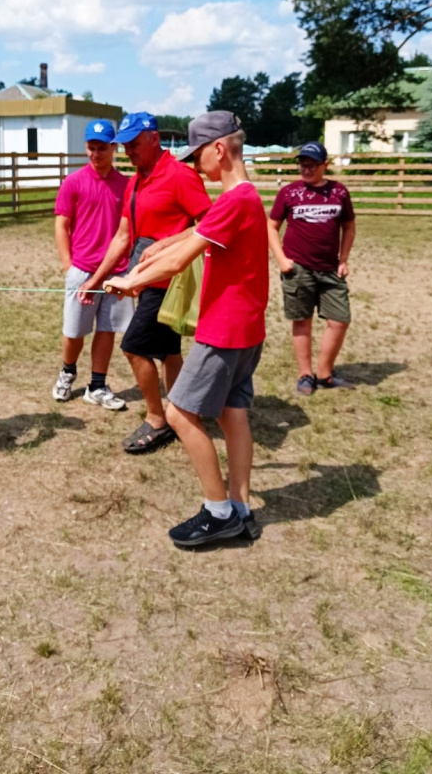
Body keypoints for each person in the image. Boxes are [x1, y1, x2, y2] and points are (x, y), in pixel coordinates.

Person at [104, 112, 268, 547]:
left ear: (219, 149)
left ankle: (218, 513)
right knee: (233, 414)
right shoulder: (245, 197)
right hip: (249, 328)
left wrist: (129, 281)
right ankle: (241, 507)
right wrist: (166, 241)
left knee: (178, 413)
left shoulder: (235, 200)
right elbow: (198, 232)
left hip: (225, 330)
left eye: (198, 156)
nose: (196, 166)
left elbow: (180, 263)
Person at [80, 112, 211, 453]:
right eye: (124, 146)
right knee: (168, 350)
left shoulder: (180, 176)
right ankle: (185, 410)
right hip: (146, 278)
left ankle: (158, 420)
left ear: (154, 138)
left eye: (135, 144)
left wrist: (166, 245)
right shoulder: (137, 180)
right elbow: (123, 236)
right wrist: (96, 278)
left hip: (169, 281)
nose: (128, 151)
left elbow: (210, 224)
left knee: (134, 346)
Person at [52, 119, 134, 410]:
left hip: (116, 271)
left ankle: (97, 384)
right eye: (90, 148)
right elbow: (62, 225)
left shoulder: (126, 185)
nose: (95, 154)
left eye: (101, 148)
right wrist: (69, 266)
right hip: (82, 270)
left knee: (107, 329)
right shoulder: (73, 182)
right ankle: (68, 370)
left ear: (114, 148)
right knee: (74, 331)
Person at [267, 140, 356, 396]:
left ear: (324, 165)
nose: (306, 170)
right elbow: (271, 227)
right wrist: (282, 260)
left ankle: (325, 374)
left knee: (339, 320)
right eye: (303, 165)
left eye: (312, 165)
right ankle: (305, 374)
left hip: (330, 269)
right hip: (298, 268)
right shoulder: (289, 193)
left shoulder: (339, 192)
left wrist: (344, 258)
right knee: (302, 321)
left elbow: (349, 227)